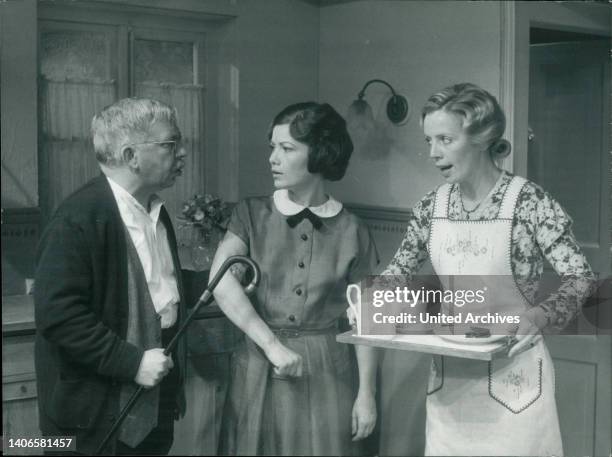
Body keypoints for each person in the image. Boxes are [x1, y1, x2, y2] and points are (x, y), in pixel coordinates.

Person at [377, 83, 594, 456]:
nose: (433, 153)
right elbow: (397, 274)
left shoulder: (529, 202)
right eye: (429, 140)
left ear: (481, 137)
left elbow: (582, 278)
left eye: (445, 139)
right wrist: (372, 300)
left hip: (516, 385)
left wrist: (542, 315)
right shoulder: (430, 207)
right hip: (450, 383)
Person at [211, 102, 380, 455]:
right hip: (258, 364)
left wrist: (366, 393)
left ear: (320, 154)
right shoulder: (250, 214)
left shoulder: (353, 229)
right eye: (272, 147)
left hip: (329, 373)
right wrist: (270, 344)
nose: (273, 158)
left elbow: (369, 319)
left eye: (287, 149)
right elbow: (221, 281)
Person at [34, 98, 188, 455]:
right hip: (90, 417)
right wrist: (132, 362)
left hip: (153, 402)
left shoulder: (156, 212)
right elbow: (59, 317)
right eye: (171, 144)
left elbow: (157, 290)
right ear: (131, 155)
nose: (181, 154)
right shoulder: (77, 219)